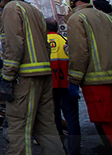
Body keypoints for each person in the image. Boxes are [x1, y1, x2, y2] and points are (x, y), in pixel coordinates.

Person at [0, 0, 64, 155]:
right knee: (47, 127)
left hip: (25, 79)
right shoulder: (34, 10)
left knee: (18, 128)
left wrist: (8, 76)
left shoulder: (11, 9)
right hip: (44, 76)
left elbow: (14, 44)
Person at [65, 0, 112, 154]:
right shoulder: (106, 17)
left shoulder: (77, 18)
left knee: (105, 123)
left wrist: (74, 80)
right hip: (109, 78)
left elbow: (80, 53)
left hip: (95, 83)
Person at [46, 17, 81, 155]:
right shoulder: (65, 41)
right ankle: (74, 151)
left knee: (53, 120)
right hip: (67, 85)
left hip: (50, 86)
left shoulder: (43, 43)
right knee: (72, 118)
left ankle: (60, 149)